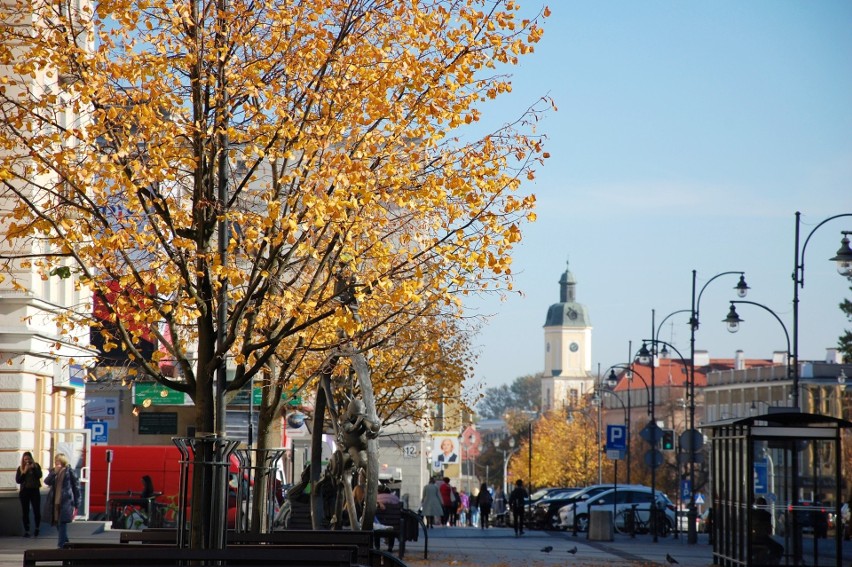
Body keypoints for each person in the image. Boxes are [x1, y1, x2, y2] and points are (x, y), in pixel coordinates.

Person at [43, 453, 80, 548]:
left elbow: (76, 487)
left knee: (62, 523)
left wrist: (77, 503)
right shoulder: (54, 472)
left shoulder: (69, 471)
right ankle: (66, 542)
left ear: (63, 462)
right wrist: (53, 473)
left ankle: (61, 545)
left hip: (66, 501)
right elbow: (46, 481)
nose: (56, 464)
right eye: (55, 462)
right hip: (55, 501)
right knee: (57, 523)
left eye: (58, 462)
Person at [16, 451, 43, 537]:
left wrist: (34, 468)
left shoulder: (36, 466)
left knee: (36, 510)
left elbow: (39, 476)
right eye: (25, 459)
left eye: (28, 459)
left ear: (31, 459)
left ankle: (37, 528)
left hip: (34, 491)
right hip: (25, 491)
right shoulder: (20, 468)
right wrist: (24, 471)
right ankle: (27, 530)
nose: (27, 461)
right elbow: (18, 480)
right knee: (25, 511)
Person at [751, 496, 782, 565]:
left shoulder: (752, 513)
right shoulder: (767, 515)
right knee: (779, 548)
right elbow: (769, 530)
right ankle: (772, 562)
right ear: (765, 505)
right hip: (763, 538)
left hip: (753, 538)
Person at [375, 484, 401, 551]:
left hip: (379, 525)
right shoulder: (395, 498)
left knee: (377, 528)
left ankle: (377, 547)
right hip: (394, 524)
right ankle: (390, 547)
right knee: (391, 526)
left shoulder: (376, 498)